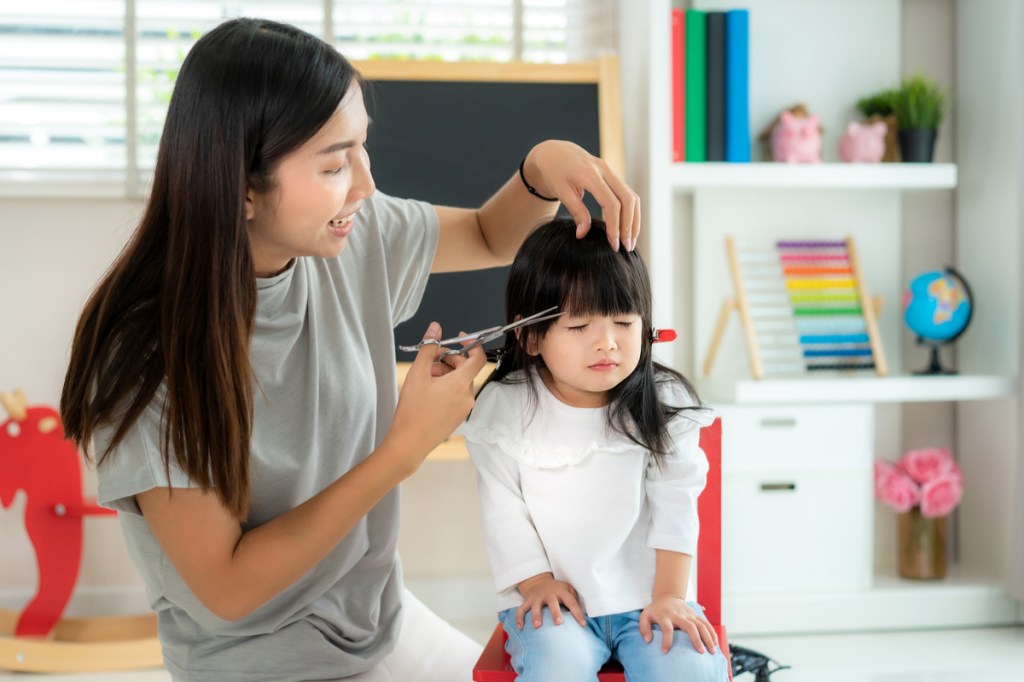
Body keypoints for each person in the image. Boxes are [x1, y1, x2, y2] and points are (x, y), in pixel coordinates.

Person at [58, 17, 639, 682]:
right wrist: (403, 448)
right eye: (334, 164)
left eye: (361, 150)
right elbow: (227, 590)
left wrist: (540, 167)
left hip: (378, 621)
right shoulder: (148, 354)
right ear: (242, 188)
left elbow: (485, 234)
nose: (364, 185)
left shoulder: (350, 234)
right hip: (259, 659)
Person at [456, 219, 730, 681]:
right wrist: (537, 583)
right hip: (554, 604)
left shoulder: (663, 402)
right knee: (554, 667)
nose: (607, 342)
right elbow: (503, 510)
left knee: (690, 670)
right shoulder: (505, 406)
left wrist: (668, 596)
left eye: (624, 322)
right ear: (531, 337)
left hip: (651, 596)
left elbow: (676, 506)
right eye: (580, 325)